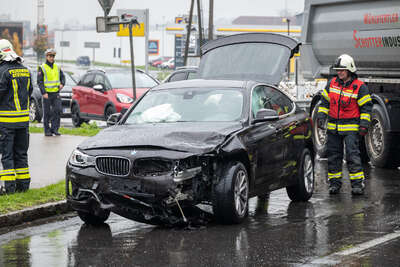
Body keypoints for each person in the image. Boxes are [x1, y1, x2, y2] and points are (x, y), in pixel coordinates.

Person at [317, 54, 372, 195]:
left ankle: (357, 185)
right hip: (333, 128)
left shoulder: (360, 87)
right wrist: (321, 117)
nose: (339, 72)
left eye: (342, 70)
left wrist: (364, 125)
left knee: (352, 156)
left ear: (349, 70)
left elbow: (366, 108)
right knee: (333, 156)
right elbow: (324, 102)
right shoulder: (332, 84)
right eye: (338, 70)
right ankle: (334, 184)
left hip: (351, 128)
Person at [0, 39, 33, 194]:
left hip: (6, 122)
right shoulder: (25, 70)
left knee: (7, 155)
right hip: (23, 122)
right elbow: (30, 91)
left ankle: (10, 189)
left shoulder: (3, 71)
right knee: (21, 153)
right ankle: (24, 186)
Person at [37, 48, 65, 136]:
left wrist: (62, 84)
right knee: (47, 113)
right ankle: (47, 131)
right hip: (47, 94)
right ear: (46, 57)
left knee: (57, 110)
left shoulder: (57, 67)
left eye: (53, 56)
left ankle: (55, 129)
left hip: (56, 93)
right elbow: (40, 81)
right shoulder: (42, 67)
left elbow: (63, 77)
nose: (52, 58)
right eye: (50, 56)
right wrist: (43, 92)